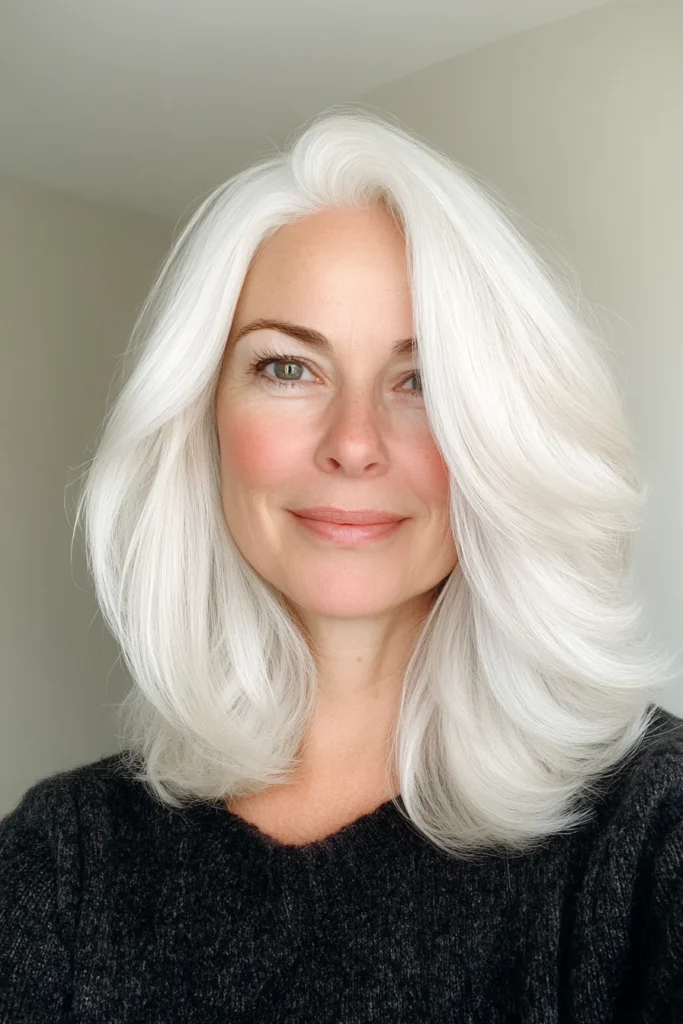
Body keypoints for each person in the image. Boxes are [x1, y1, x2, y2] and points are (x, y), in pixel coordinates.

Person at [1, 104, 682, 1022]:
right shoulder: (61, 860)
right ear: (200, 418)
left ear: (504, 435)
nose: (353, 444)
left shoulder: (652, 829)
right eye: (288, 368)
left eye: (422, 380)